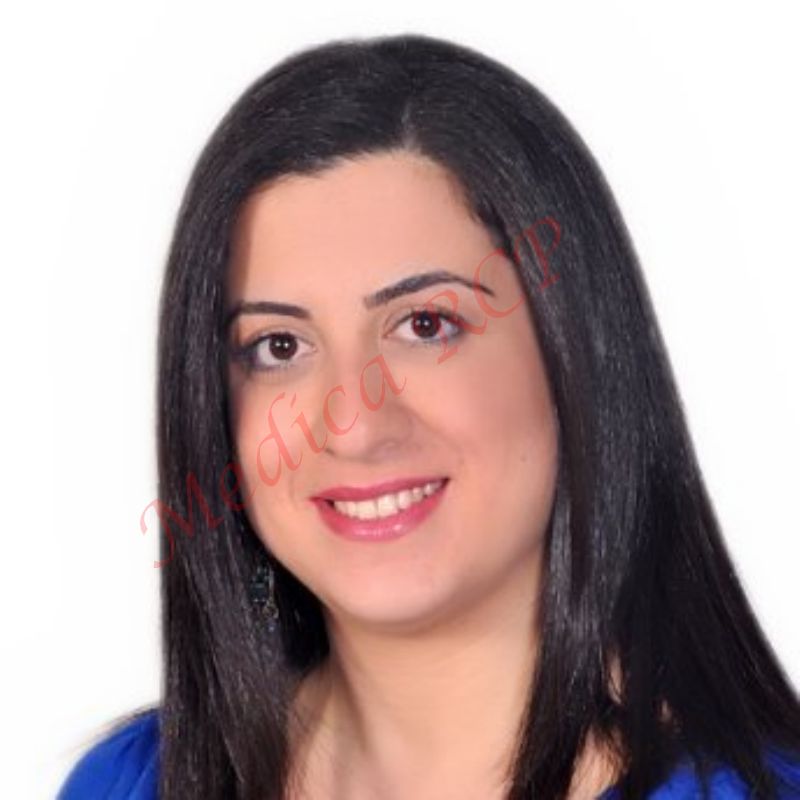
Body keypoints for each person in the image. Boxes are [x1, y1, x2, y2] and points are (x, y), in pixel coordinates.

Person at [57, 33, 800, 799]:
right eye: (279, 346)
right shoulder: (127, 784)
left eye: (425, 325)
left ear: (574, 355)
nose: (352, 426)